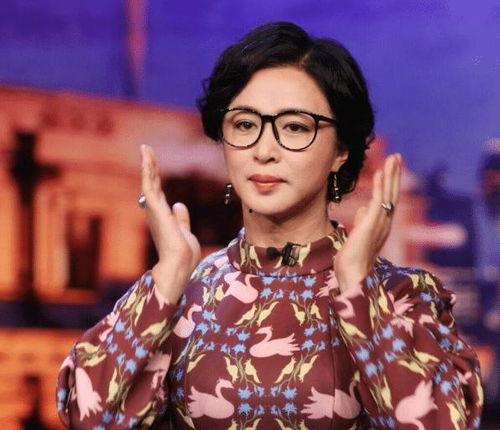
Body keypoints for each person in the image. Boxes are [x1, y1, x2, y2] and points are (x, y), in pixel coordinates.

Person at [56, 22, 483, 429]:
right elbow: (88, 418)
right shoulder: (184, 295)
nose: (264, 150)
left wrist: (356, 286)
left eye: (294, 128)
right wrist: (166, 278)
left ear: (341, 151)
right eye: (245, 125)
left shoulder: (403, 296)